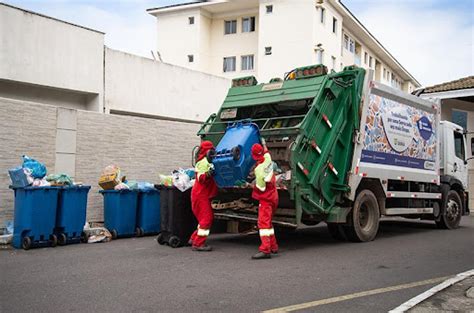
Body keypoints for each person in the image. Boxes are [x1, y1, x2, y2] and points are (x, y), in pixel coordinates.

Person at [250, 143, 279, 259]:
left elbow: (261, 188)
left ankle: (265, 249)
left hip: (265, 199)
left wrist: (253, 186)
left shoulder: (259, 170)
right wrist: (263, 143)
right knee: (269, 223)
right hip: (274, 196)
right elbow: (266, 152)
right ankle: (273, 246)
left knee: (263, 224)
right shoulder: (268, 159)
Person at [189, 140, 218, 251]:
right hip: (200, 195)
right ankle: (198, 243)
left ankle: (194, 238)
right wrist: (208, 174)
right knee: (207, 219)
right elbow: (201, 178)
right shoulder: (203, 162)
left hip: (199, 194)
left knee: (203, 219)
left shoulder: (204, 161)